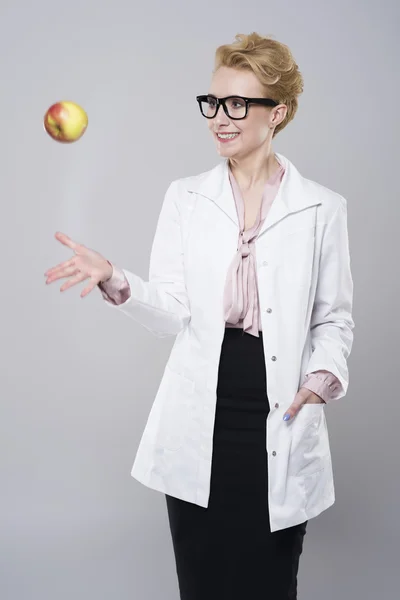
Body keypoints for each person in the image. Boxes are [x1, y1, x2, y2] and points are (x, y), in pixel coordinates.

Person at [45, 32, 354, 600]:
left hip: (280, 406)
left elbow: (333, 318)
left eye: (238, 104)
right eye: (212, 103)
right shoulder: (185, 198)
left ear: (277, 113)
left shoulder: (321, 208)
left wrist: (318, 382)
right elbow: (171, 311)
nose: (219, 118)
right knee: (203, 579)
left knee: (268, 581)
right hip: (201, 411)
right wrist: (115, 276)